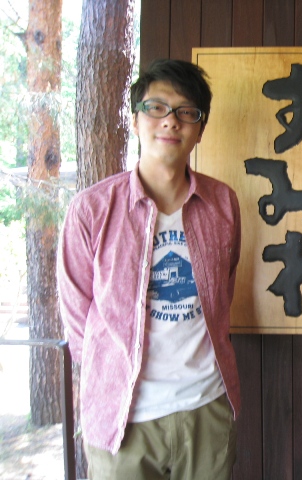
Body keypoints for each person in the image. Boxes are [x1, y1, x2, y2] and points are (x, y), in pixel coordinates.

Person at [57, 59, 241, 479]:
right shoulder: (91, 210)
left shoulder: (223, 203)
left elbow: (223, 292)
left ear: (200, 128)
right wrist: (107, 379)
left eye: (186, 111)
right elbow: (78, 318)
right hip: (122, 417)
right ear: (135, 118)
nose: (171, 121)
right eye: (156, 108)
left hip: (206, 407)